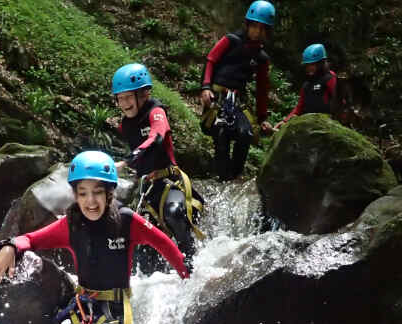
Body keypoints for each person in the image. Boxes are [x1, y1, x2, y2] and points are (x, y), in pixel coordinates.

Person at [0, 150, 189, 324]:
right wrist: (10, 246)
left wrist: (185, 273)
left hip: (116, 310)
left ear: (109, 193)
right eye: (83, 193)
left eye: (97, 192)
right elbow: (31, 239)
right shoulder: (70, 224)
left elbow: (164, 244)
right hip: (83, 308)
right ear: (74, 195)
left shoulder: (126, 221)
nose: (90, 201)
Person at [111, 62, 205, 265]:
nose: (124, 103)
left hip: (170, 181)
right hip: (149, 188)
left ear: (143, 94)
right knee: (139, 243)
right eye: (120, 98)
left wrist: (129, 159)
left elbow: (157, 135)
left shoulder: (156, 111)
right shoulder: (125, 125)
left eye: (128, 97)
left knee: (174, 213)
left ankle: (191, 263)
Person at [200, 0, 276, 181]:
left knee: (246, 133)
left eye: (262, 28)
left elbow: (262, 89)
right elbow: (211, 60)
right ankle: (222, 177)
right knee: (221, 131)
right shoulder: (231, 40)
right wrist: (205, 87)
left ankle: (234, 177)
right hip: (218, 95)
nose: (257, 32)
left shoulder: (261, 58)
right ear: (248, 24)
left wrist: (263, 117)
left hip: (236, 101)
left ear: (267, 31)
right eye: (254, 26)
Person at [275, 44, 344, 129]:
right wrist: (285, 121)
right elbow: (299, 106)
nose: (309, 68)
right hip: (309, 125)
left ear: (321, 63)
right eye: (307, 65)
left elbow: (339, 102)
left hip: (327, 124)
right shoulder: (306, 85)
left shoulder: (330, 78)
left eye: (312, 64)